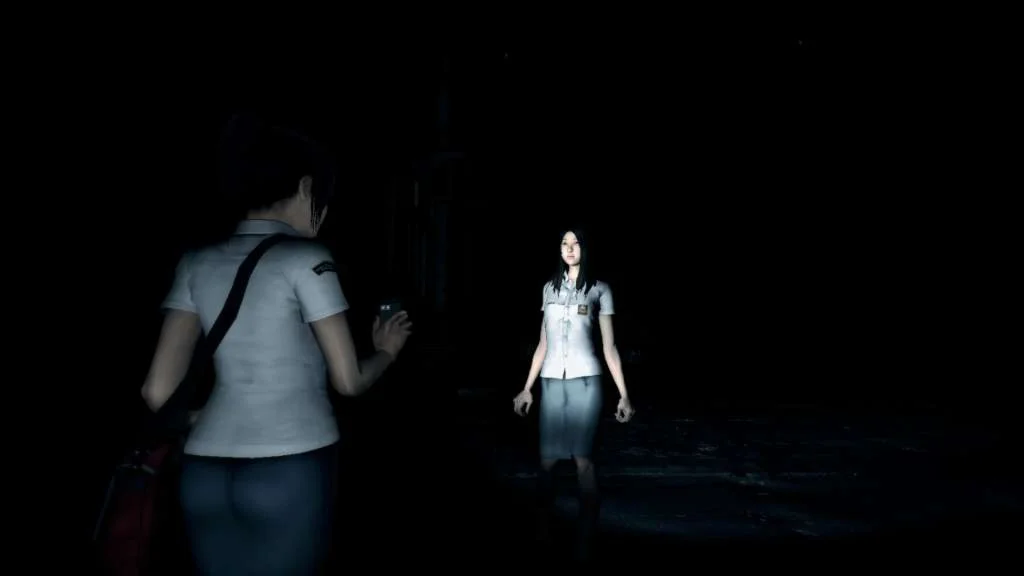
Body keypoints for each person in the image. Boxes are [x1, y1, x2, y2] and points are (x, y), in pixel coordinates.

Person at [139, 121, 412, 575]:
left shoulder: (196, 262)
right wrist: (387, 350)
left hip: (204, 472)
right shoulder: (308, 259)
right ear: (305, 188)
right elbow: (349, 381)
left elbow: (155, 391)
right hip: (291, 465)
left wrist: (206, 419)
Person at [513, 227, 635, 561]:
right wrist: (526, 387)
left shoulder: (600, 290)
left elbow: (609, 347)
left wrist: (624, 394)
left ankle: (586, 540)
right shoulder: (548, 288)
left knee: (584, 461)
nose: (569, 248)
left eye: (575, 243)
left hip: (587, 381)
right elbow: (543, 343)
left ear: (585, 248)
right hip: (552, 381)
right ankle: (543, 535)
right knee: (548, 462)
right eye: (564, 243)